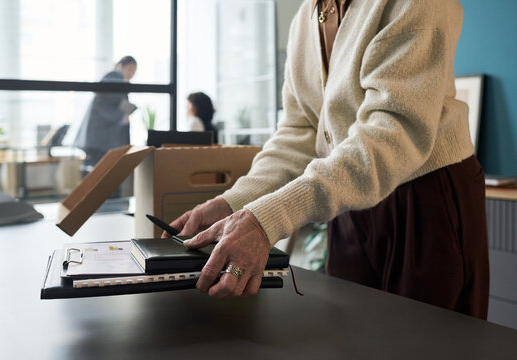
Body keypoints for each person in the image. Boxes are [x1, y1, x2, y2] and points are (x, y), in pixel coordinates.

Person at [163, 0, 489, 320]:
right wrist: (233, 204)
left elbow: (392, 133)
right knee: (350, 339)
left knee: (430, 343)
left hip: (426, 203)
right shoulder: (307, 15)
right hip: (350, 199)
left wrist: (268, 219)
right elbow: (299, 132)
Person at [74, 56, 138, 171]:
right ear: (120, 66)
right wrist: (124, 115)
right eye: (129, 69)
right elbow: (103, 104)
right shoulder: (114, 76)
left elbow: (114, 102)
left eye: (134, 71)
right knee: (102, 177)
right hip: (100, 140)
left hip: (100, 140)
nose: (131, 73)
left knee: (101, 176)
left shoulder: (118, 79)